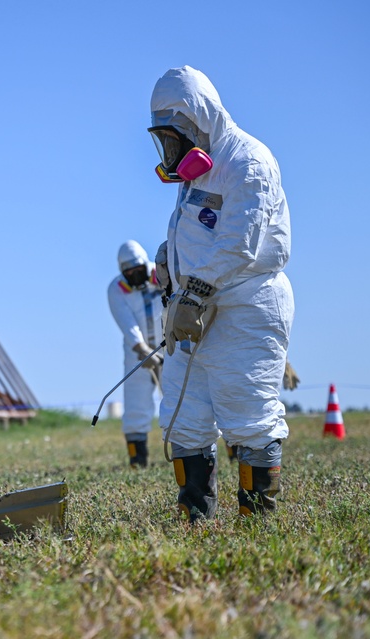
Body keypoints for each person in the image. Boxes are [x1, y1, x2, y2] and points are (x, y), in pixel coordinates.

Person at [147, 66, 294, 520]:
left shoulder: (249, 162)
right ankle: (196, 515)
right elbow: (197, 230)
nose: (173, 153)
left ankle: (256, 522)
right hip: (191, 306)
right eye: (165, 141)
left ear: (201, 117)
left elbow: (239, 243)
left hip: (244, 306)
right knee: (182, 417)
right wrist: (168, 257)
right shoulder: (197, 171)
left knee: (249, 414)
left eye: (177, 138)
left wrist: (193, 294)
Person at [107, 240, 165, 469]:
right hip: (137, 353)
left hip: (170, 348)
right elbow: (127, 323)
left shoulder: (163, 273)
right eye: (128, 272)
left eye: (137, 270)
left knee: (184, 401)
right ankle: (137, 461)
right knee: (135, 406)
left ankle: (191, 454)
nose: (133, 275)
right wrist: (141, 349)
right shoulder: (116, 288)